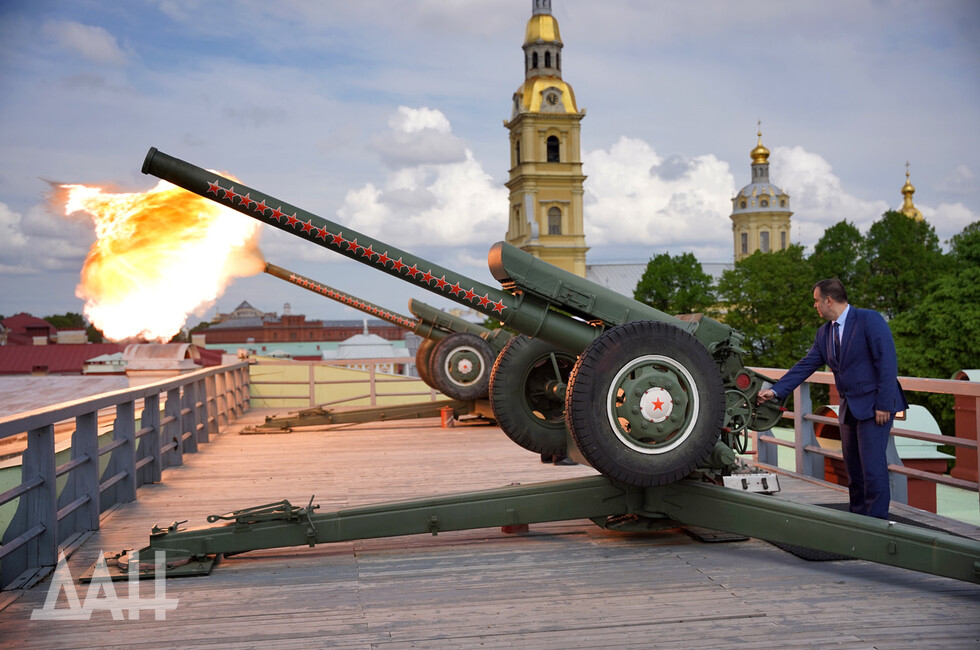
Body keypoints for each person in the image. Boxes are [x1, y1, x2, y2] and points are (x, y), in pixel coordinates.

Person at [756, 279, 908, 519]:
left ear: (829, 300)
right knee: (854, 471)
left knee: (873, 469)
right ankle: (857, 519)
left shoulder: (869, 320)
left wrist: (884, 404)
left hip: (875, 408)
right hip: (849, 409)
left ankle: (877, 525)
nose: (815, 305)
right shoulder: (824, 333)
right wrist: (776, 390)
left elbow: (887, 363)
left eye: (816, 300)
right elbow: (805, 366)